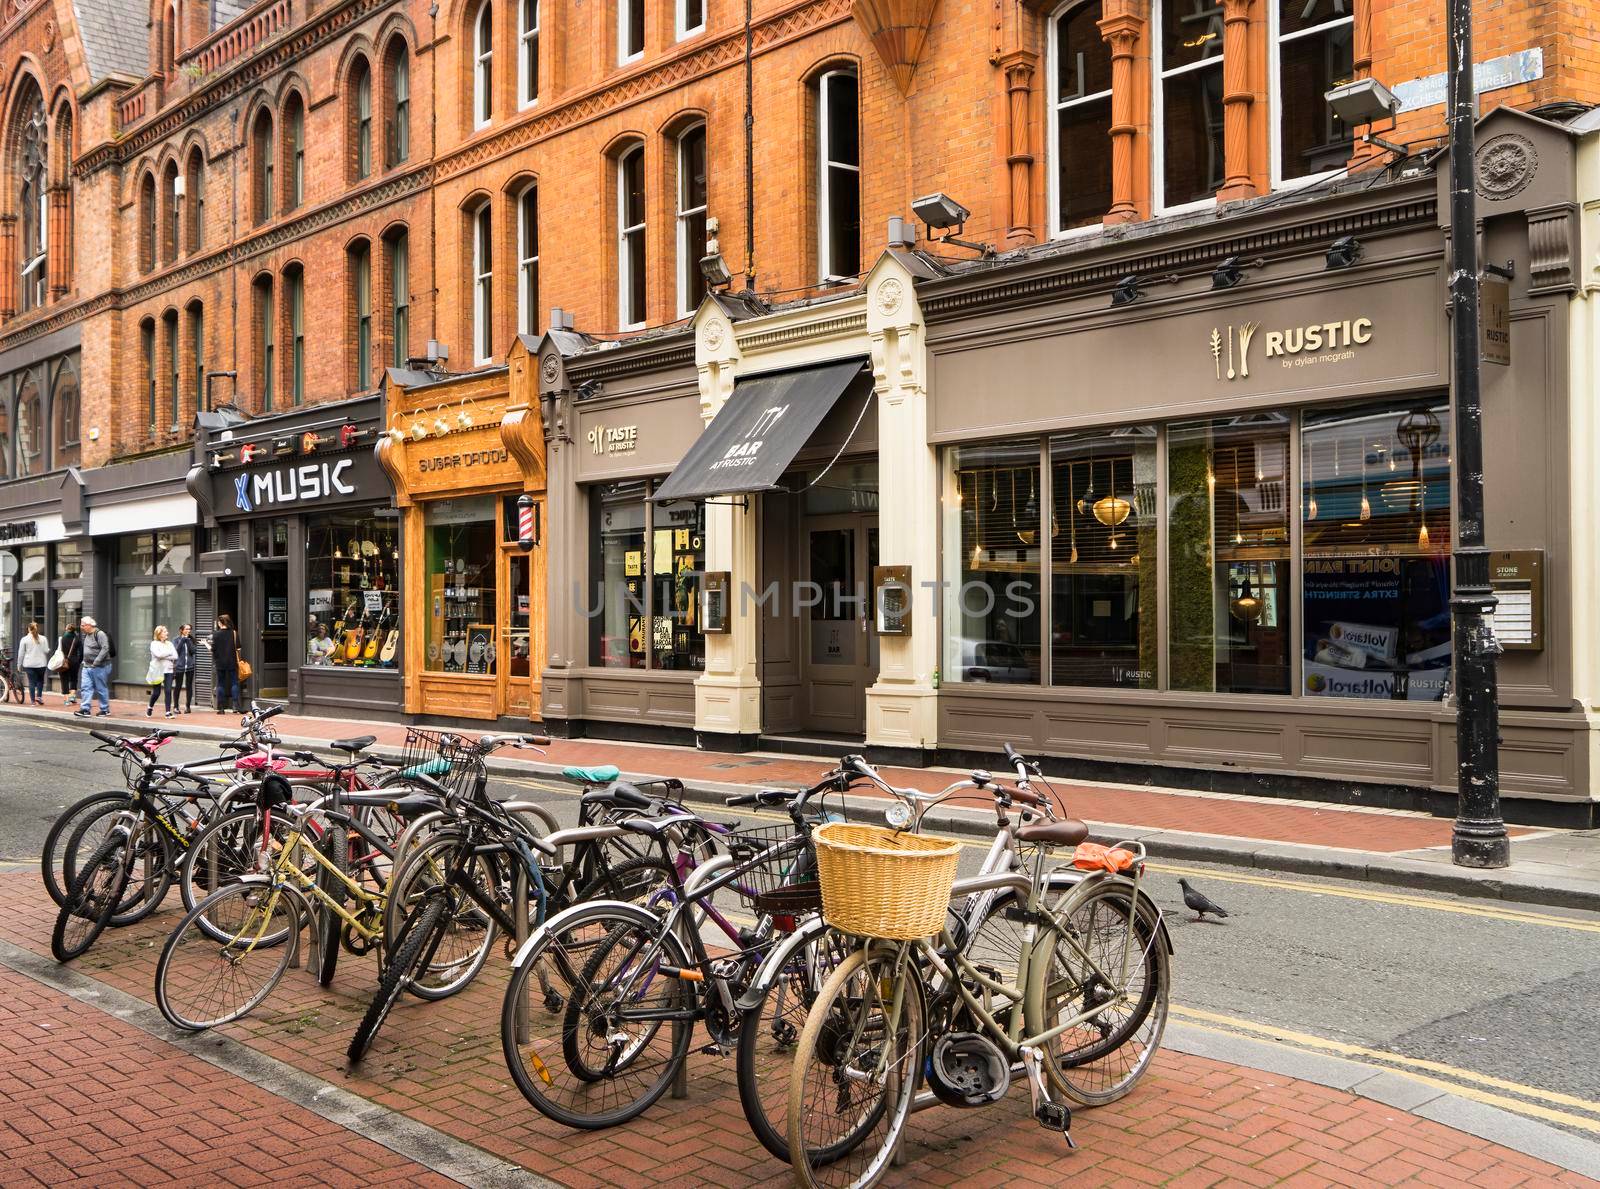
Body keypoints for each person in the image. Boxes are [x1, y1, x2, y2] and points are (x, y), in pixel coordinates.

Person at [74, 616, 112, 718]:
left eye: (83, 625)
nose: (81, 627)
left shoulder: (99, 634)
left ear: (89, 625)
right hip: (87, 666)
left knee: (100, 688)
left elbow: (105, 648)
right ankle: (85, 709)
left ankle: (105, 709)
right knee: (85, 688)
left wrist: (97, 661)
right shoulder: (86, 635)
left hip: (100, 666)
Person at [210, 613, 241, 714]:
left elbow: (213, 649)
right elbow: (238, 647)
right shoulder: (233, 633)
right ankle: (235, 706)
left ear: (220, 623)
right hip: (232, 660)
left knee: (220, 683)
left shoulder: (216, 634)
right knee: (234, 682)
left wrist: (206, 644)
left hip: (220, 662)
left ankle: (221, 708)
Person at [145, 625, 178, 718]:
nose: (167, 633)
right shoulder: (154, 644)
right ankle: (150, 707)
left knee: (168, 691)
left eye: (166, 631)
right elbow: (158, 655)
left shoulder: (170, 644)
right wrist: (169, 653)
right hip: (157, 670)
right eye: (164, 632)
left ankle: (168, 712)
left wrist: (165, 655)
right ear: (159, 634)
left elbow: (175, 656)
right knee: (156, 693)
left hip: (169, 670)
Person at [14, 621, 50, 706]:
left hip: (29, 664)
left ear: (28, 629)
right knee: (40, 681)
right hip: (42, 664)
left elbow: (21, 654)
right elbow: (46, 651)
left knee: (31, 682)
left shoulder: (24, 639)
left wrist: (19, 665)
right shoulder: (43, 638)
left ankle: (33, 701)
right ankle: (39, 697)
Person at [172, 624, 197, 714]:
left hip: (190, 666)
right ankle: (176, 707)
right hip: (179, 666)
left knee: (189, 686)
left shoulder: (191, 640)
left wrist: (188, 641)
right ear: (181, 630)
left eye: (189, 629)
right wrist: (183, 640)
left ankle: (188, 706)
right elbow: (176, 651)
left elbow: (193, 651)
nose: (188, 631)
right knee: (178, 686)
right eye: (186, 629)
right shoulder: (176, 640)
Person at [57, 619, 81, 704]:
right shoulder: (77, 639)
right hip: (74, 661)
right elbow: (81, 652)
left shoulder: (62, 638)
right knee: (74, 678)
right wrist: (78, 661)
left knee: (64, 679)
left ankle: (66, 700)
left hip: (64, 661)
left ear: (67, 629)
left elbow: (59, 650)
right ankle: (72, 696)